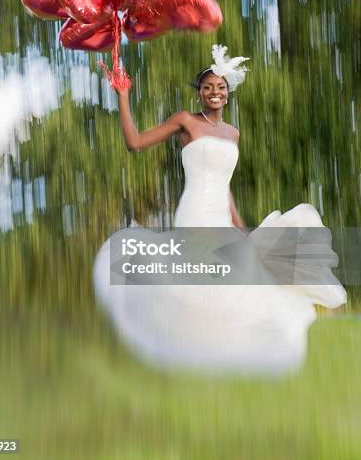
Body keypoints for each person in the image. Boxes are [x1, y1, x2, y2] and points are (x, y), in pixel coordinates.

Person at [93, 45, 347, 375]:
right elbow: (135, 143)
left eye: (220, 87)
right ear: (199, 94)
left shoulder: (233, 134)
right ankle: (182, 340)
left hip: (221, 216)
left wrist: (242, 228)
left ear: (227, 94)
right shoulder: (185, 122)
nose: (214, 92)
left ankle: (225, 347)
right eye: (207, 87)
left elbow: (224, 185)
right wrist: (123, 96)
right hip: (195, 212)